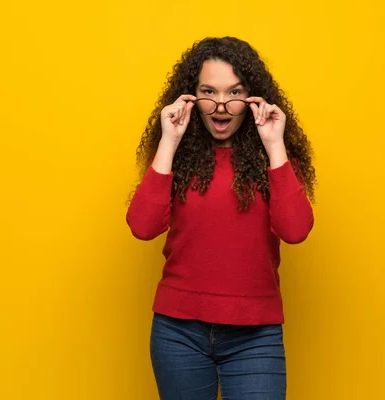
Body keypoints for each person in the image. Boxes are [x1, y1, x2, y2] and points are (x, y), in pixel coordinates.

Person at [126, 36, 316, 400]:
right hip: (178, 333)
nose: (222, 105)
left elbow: (295, 231)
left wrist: (275, 144)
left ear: (252, 97)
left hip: (255, 335)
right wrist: (168, 141)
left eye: (234, 92)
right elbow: (142, 227)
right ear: (191, 97)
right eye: (209, 91)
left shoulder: (271, 159)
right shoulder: (177, 155)